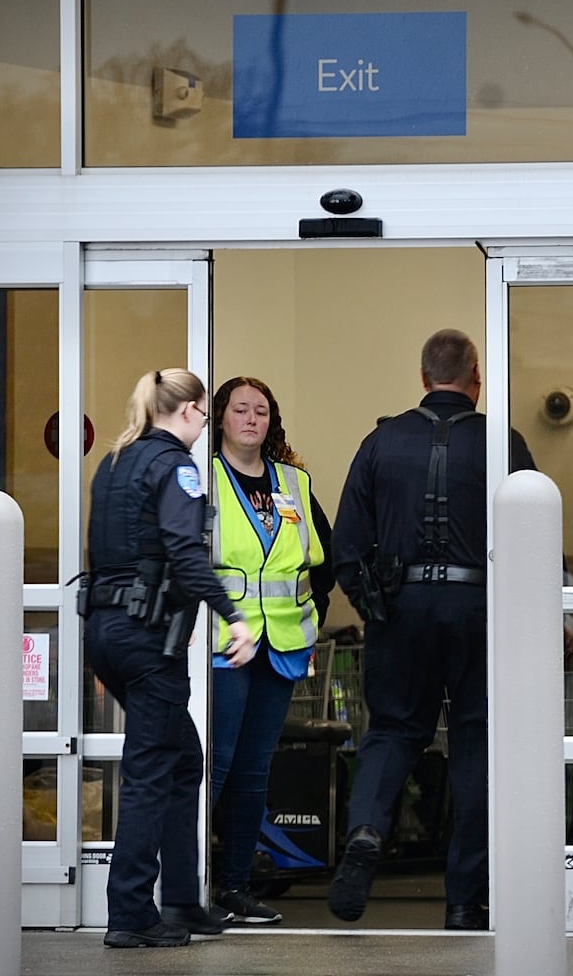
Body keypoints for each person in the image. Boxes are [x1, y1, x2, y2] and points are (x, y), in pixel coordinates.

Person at [327, 329, 536, 931]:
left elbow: (347, 544)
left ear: (423, 378)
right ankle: (465, 901)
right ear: (476, 375)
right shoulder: (503, 442)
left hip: (402, 606)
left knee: (392, 731)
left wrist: (376, 609)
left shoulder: (381, 441)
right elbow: (529, 537)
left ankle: (367, 828)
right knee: (475, 742)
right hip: (478, 608)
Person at [82, 368, 257, 949]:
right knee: (150, 771)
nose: (204, 429)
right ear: (187, 413)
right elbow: (184, 551)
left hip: (106, 632)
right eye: (206, 417)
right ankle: (131, 914)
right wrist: (234, 617)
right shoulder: (174, 466)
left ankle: (181, 900)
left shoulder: (113, 463)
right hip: (149, 638)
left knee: (184, 760)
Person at [207, 376, 334, 924]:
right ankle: (187, 886)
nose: (252, 419)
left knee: (256, 770)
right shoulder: (201, 477)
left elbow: (320, 566)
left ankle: (235, 889)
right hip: (222, 647)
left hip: (281, 646)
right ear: (220, 418)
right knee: (219, 764)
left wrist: (312, 628)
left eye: (261, 410)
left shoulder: (294, 482)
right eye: (241, 409)